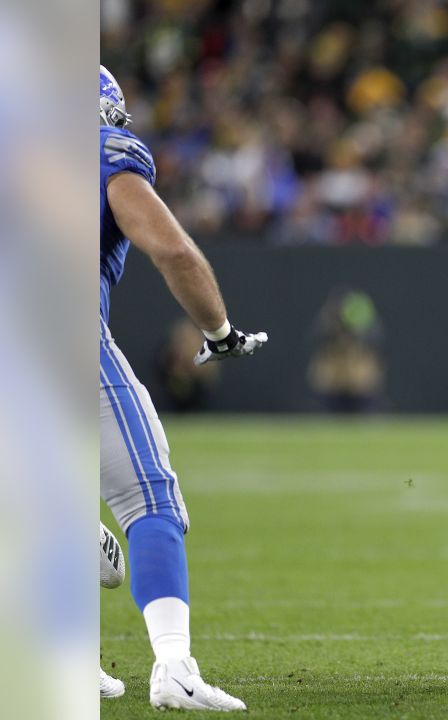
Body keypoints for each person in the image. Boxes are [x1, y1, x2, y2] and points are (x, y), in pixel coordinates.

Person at [99, 65, 266, 711]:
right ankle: (174, 667)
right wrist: (220, 331)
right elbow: (174, 251)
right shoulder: (106, 150)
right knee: (152, 504)